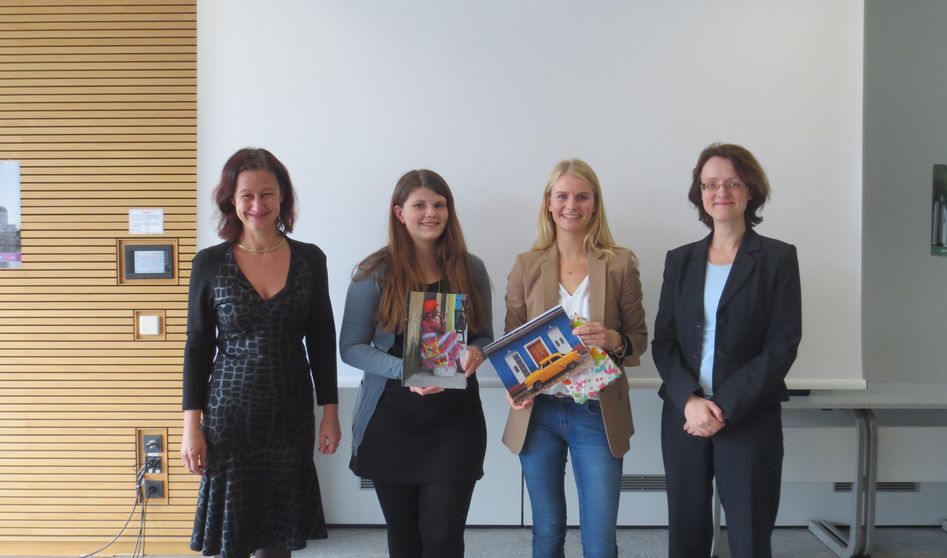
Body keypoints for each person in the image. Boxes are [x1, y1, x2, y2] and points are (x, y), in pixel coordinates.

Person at [180, 148, 340, 558]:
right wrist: (190, 427)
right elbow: (198, 347)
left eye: (267, 194)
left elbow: (322, 340)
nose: (257, 205)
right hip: (229, 413)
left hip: (289, 410)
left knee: (278, 532)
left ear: (282, 196)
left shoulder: (310, 258)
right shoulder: (210, 263)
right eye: (246, 195)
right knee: (233, 535)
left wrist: (331, 413)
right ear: (231, 200)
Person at [652, 143, 802, 558]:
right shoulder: (680, 260)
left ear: (750, 190)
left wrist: (724, 406)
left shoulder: (777, 258)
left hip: (749, 415)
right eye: (710, 184)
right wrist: (690, 401)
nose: (721, 192)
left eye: (732, 182)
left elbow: (782, 345)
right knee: (686, 534)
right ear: (700, 193)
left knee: (750, 535)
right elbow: (663, 342)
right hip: (684, 416)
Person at [340, 169, 493, 558]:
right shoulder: (373, 273)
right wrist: (405, 372)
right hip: (391, 420)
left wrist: (477, 352)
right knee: (404, 538)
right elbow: (351, 348)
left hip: (454, 421)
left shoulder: (470, 268)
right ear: (399, 212)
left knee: (443, 538)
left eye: (439, 204)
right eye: (420, 205)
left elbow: (484, 335)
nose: (431, 213)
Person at [502, 159, 647, 558]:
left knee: (599, 539)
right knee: (546, 532)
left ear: (595, 204)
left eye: (582, 196)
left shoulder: (619, 263)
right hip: (539, 413)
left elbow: (639, 341)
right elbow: (509, 343)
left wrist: (613, 337)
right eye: (562, 196)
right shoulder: (526, 265)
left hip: (597, 414)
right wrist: (513, 387)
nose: (572, 205)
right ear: (548, 203)